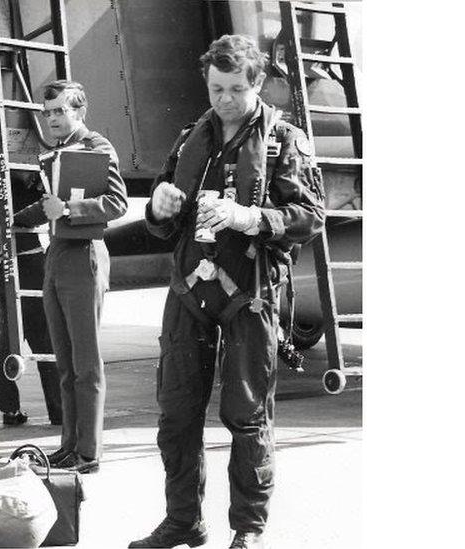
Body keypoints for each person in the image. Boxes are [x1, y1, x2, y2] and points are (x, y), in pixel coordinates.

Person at [128, 36, 325, 549]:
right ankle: (183, 522)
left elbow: (310, 217)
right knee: (176, 414)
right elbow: (163, 226)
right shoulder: (191, 138)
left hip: (250, 293)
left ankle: (248, 529)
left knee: (246, 414)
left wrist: (254, 217)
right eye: (216, 88)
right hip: (190, 292)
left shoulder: (286, 140)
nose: (224, 99)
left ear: (257, 83)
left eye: (236, 89)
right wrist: (159, 208)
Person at [14, 80, 127, 474]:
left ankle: (89, 453)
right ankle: (69, 446)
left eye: (60, 111)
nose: (53, 120)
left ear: (80, 111)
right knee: (64, 362)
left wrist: (68, 210)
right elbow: (49, 206)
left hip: (84, 257)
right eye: (48, 113)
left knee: (86, 364)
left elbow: (117, 203)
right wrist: (14, 222)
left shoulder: (97, 147)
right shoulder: (55, 154)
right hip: (57, 256)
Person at [0, 175, 63, 426]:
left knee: (7, 341)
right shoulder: (18, 189)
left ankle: (10, 409)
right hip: (30, 268)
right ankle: (58, 410)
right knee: (45, 342)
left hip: (5, 270)